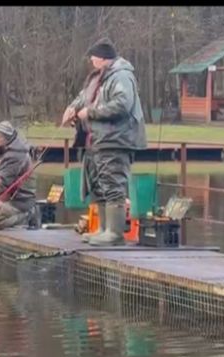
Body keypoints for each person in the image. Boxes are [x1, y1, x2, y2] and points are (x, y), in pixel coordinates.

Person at [60, 38, 147, 246]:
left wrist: (90, 112)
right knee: (98, 184)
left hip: (116, 140)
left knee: (113, 183)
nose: (91, 60)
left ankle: (114, 234)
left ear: (103, 58)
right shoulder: (97, 78)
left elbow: (122, 104)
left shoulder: (122, 76)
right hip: (96, 141)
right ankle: (102, 229)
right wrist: (72, 109)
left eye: (93, 56)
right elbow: (82, 98)